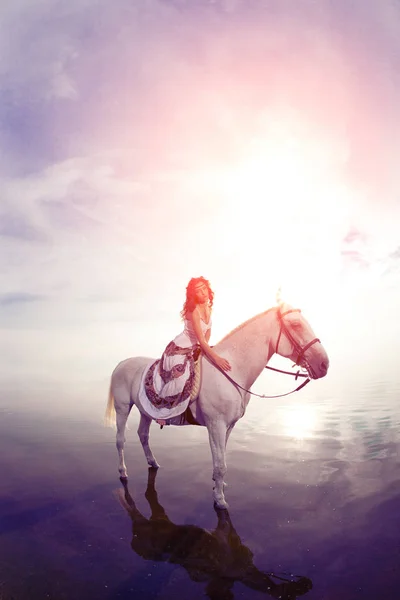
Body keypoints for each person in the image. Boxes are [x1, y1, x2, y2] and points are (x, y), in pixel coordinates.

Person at [153, 277, 231, 426]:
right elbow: (201, 340)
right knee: (182, 377)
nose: (202, 293)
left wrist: (207, 349)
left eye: (204, 288)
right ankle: (165, 413)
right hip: (179, 349)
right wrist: (217, 359)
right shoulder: (194, 310)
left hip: (195, 348)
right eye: (198, 291)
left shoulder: (209, 308)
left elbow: (207, 334)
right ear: (193, 295)